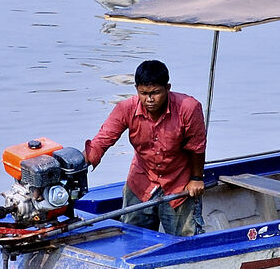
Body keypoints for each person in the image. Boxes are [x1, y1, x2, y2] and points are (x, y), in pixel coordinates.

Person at [85, 60, 206, 237]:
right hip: (142, 180)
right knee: (131, 238)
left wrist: (196, 178)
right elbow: (102, 140)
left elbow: (197, 147)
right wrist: (82, 161)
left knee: (186, 240)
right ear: (136, 89)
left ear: (168, 88)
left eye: (155, 93)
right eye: (144, 93)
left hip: (179, 182)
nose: (149, 99)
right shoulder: (125, 109)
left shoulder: (188, 108)